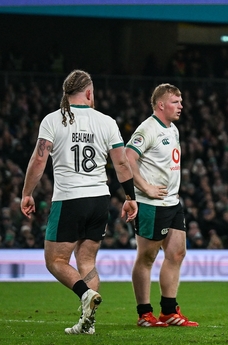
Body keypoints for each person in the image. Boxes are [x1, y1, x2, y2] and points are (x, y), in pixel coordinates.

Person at [20, 69, 138, 334]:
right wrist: (130, 197)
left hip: (70, 199)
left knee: (55, 261)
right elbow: (121, 162)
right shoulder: (106, 121)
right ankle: (88, 323)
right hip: (99, 199)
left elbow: (39, 160)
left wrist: (27, 192)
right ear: (88, 92)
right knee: (87, 262)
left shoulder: (53, 120)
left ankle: (85, 294)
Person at [126, 83, 198, 328]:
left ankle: (168, 311)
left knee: (177, 253)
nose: (181, 106)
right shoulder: (147, 129)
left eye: (181, 101)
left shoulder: (172, 129)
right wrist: (145, 187)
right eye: (176, 102)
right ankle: (144, 313)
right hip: (151, 204)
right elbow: (128, 157)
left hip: (172, 202)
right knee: (147, 257)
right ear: (161, 105)